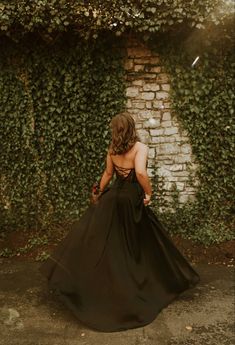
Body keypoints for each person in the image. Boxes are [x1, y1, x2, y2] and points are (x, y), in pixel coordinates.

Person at [39, 112, 200, 332]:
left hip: (114, 197)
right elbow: (141, 173)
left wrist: (97, 191)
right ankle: (148, 281)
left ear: (116, 130)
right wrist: (149, 193)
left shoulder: (112, 149)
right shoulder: (140, 148)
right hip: (131, 198)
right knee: (140, 239)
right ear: (132, 128)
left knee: (112, 244)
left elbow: (107, 173)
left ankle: (105, 287)